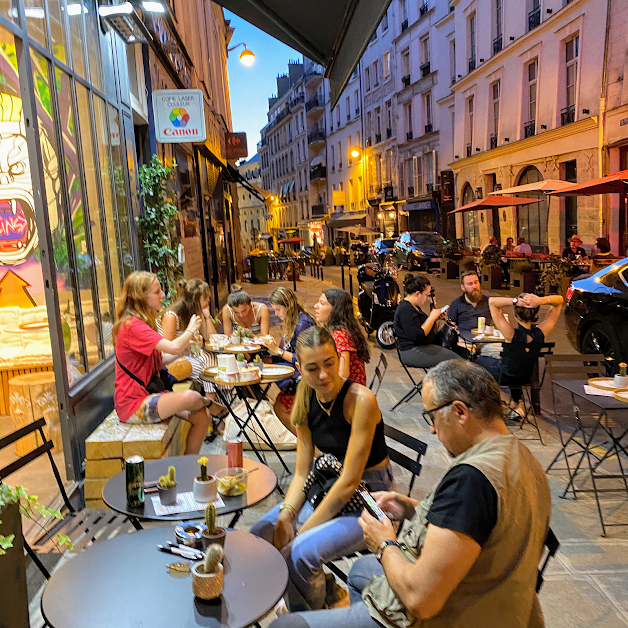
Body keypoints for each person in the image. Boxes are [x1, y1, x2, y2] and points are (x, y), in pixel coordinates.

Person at [269, 360, 551, 628]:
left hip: (454, 615)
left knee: (285, 624)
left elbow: (420, 600)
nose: (431, 428)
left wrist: (384, 543)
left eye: (432, 416)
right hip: (503, 601)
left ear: (460, 412)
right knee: (359, 573)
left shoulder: (472, 479)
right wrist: (412, 508)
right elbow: (478, 523)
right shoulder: (523, 458)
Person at [250, 326, 394, 612]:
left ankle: (307, 616)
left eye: (329, 363)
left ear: (337, 359)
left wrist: (304, 528)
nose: (324, 375)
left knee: (299, 551)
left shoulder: (360, 400)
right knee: (260, 533)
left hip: (372, 499)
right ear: (299, 368)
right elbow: (302, 471)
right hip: (329, 483)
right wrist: (285, 514)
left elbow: (351, 481)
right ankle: (321, 591)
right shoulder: (306, 395)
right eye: (313, 368)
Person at [113, 271, 211, 454]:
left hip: (149, 393)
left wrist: (185, 349)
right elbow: (171, 347)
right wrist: (190, 330)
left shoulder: (141, 322)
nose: (163, 295)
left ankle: (188, 465)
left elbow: (160, 360)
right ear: (142, 297)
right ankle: (217, 407)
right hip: (133, 403)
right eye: (157, 292)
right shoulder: (132, 325)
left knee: (201, 417)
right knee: (192, 397)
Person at [478, 293, 564, 416]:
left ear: (516, 314)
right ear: (535, 314)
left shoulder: (510, 334)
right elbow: (559, 301)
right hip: (526, 376)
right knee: (514, 365)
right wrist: (540, 300)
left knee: (478, 361)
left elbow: (492, 302)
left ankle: (485, 405)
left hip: (505, 375)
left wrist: (514, 300)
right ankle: (515, 403)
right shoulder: (541, 333)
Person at [159, 279, 227, 422]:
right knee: (208, 360)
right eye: (206, 297)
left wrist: (207, 315)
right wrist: (189, 340)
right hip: (172, 361)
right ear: (196, 299)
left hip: (189, 356)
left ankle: (215, 408)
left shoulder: (194, 314)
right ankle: (213, 407)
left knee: (213, 359)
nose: (209, 299)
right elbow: (168, 348)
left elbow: (211, 338)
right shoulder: (172, 316)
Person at [263, 287, 316, 434]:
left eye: (278, 309)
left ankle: (283, 410)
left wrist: (277, 350)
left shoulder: (302, 323)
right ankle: (280, 410)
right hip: (297, 366)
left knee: (263, 379)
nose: (276, 313)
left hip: (303, 371)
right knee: (262, 367)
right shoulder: (296, 319)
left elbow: (301, 358)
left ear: (288, 306)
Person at [393, 274, 458, 368]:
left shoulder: (413, 306)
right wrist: (431, 317)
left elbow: (422, 326)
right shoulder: (405, 309)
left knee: (456, 355)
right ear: (418, 294)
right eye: (426, 295)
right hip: (411, 351)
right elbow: (418, 336)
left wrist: (435, 318)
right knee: (457, 362)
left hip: (421, 347)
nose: (427, 298)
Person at [313, 288, 370, 386]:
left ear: (335, 309)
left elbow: (343, 374)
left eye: (322, 303)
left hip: (349, 393)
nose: (315, 306)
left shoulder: (340, 335)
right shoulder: (335, 330)